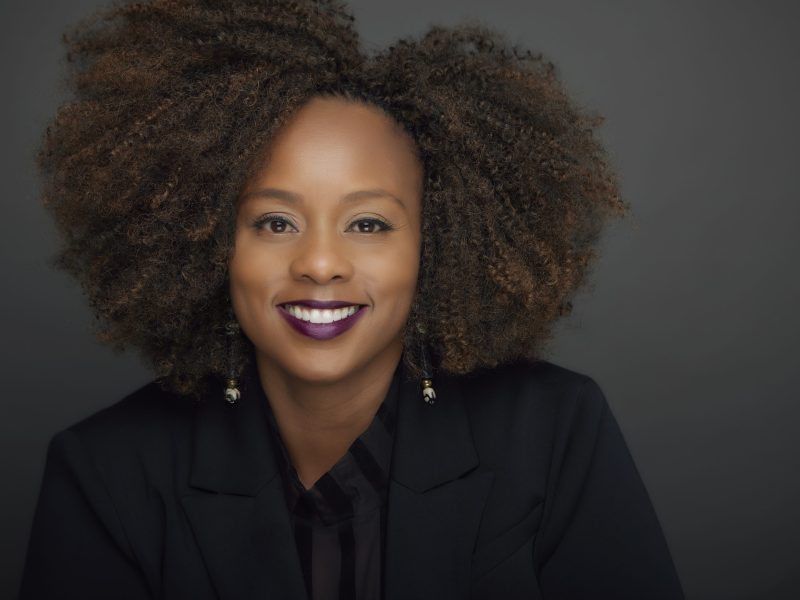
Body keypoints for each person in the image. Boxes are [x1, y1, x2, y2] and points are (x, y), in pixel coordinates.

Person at [20, 0, 685, 598]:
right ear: (209, 244)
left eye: (369, 224)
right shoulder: (104, 471)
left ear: (438, 243)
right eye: (274, 222)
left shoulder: (553, 431)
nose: (319, 264)